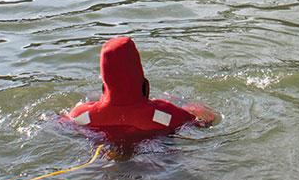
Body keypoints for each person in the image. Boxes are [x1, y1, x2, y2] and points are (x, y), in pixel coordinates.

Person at [66, 36, 216, 138]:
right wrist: (187, 105)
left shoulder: (80, 114)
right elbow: (208, 119)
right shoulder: (167, 114)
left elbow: (61, 123)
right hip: (156, 169)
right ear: (141, 77)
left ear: (104, 79)